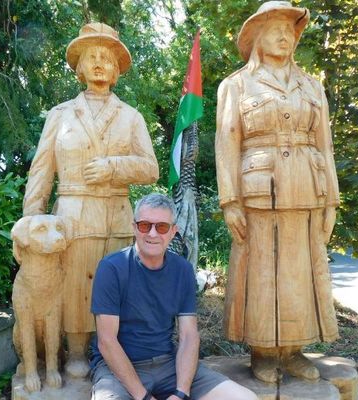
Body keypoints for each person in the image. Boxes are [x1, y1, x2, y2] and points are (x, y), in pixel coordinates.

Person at [22, 22, 159, 378]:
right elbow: (41, 171)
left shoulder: (131, 117)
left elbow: (150, 168)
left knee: (117, 284)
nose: (99, 63)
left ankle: (114, 351)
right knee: (75, 284)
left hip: (115, 212)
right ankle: (79, 351)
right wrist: (30, 222)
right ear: (79, 68)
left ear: (116, 70)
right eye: (91, 57)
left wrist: (114, 166)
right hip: (73, 212)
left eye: (106, 58)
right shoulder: (60, 114)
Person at [215, 1, 341, 383]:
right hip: (259, 190)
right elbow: (227, 141)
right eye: (275, 29)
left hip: (307, 187)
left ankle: (294, 349)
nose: (285, 36)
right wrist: (230, 200)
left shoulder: (312, 86)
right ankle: (263, 350)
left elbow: (326, 145)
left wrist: (331, 201)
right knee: (262, 271)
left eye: (290, 29)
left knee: (300, 272)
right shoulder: (236, 85)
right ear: (256, 38)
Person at [90, 193, 256, 400]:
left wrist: (181, 392)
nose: (152, 233)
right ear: (134, 228)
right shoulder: (112, 268)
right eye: (144, 225)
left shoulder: (182, 269)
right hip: (119, 368)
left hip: (169, 364)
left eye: (161, 227)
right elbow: (107, 341)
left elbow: (188, 336)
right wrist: (144, 397)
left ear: (172, 231)